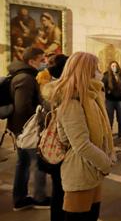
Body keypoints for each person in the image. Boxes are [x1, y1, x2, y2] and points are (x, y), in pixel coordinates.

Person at [51, 52, 114, 221]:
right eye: (96, 68)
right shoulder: (71, 101)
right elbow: (81, 144)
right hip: (79, 172)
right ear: (86, 71)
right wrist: (105, 163)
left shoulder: (90, 96)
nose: (100, 72)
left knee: (91, 216)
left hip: (92, 169)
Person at [6, 47, 50, 211]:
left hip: (21, 127)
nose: (44, 63)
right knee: (38, 162)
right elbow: (22, 106)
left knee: (23, 163)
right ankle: (39, 198)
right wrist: (39, 113)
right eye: (41, 60)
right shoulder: (25, 78)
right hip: (28, 128)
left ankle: (20, 199)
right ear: (31, 61)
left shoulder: (22, 75)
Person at [39, 53, 68, 221]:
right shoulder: (59, 91)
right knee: (61, 189)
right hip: (58, 146)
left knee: (58, 188)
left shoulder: (49, 88)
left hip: (51, 146)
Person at [102, 61, 121, 139]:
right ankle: (109, 136)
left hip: (120, 99)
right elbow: (102, 86)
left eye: (115, 66)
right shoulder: (106, 75)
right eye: (112, 66)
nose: (114, 67)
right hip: (110, 100)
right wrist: (108, 91)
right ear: (110, 67)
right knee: (110, 118)